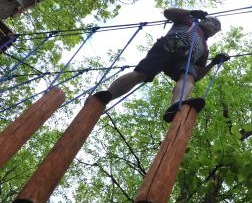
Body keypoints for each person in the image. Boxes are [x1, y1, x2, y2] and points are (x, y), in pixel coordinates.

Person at [92, 8, 229, 122]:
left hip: (184, 61)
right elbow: (168, 13)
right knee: (141, 73)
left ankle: (177, 103)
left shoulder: (204, 48)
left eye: (216, 30)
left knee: (189, 77)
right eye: (214, 24)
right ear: (205, 20)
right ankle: (109, 94)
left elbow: (197, 75)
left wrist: (213, 63)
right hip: (168, 47)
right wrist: (191, 13)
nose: (214, 29)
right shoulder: (188, 20)